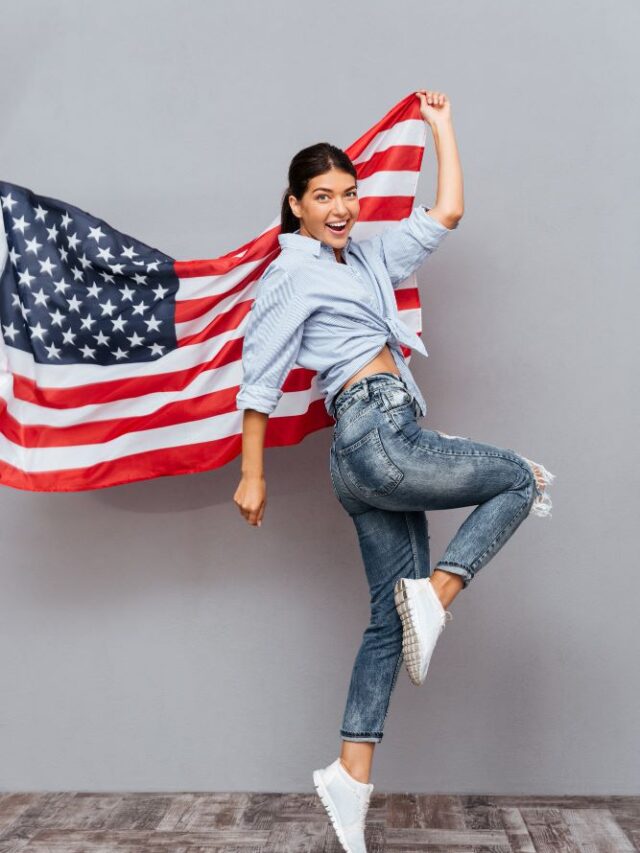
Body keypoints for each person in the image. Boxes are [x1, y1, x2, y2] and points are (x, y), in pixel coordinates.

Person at [233, 89, 555, 853]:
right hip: (373, 432)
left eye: (348, 193)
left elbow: (446, 212)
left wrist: (441, 125)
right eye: (324, 197)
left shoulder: (371, 252)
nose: (341, 207)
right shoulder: (292, 272)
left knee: (387, 621)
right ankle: (438, 596)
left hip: (375, 447)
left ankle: (349, 772)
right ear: (297, 205)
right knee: (521, 477)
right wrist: (253, 474)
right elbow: (259, 377)